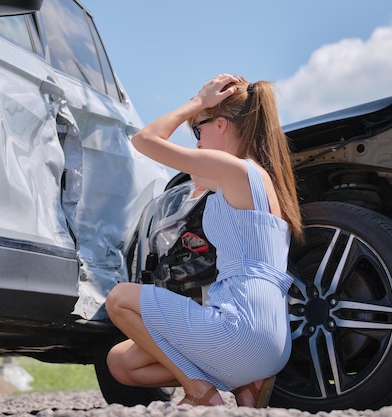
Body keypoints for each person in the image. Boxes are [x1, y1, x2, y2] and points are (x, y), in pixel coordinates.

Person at [105, 74, 304, 408]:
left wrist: (198, 103)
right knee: (121, 361)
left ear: (222, 124)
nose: (197, 141)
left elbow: (144, 139)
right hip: (273, 344)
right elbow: (203, 180)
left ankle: (198, 390)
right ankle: (244, 384)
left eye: (199, 130)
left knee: (119, 299)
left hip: (239, 329)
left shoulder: (233, 168)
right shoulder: (265, 180)